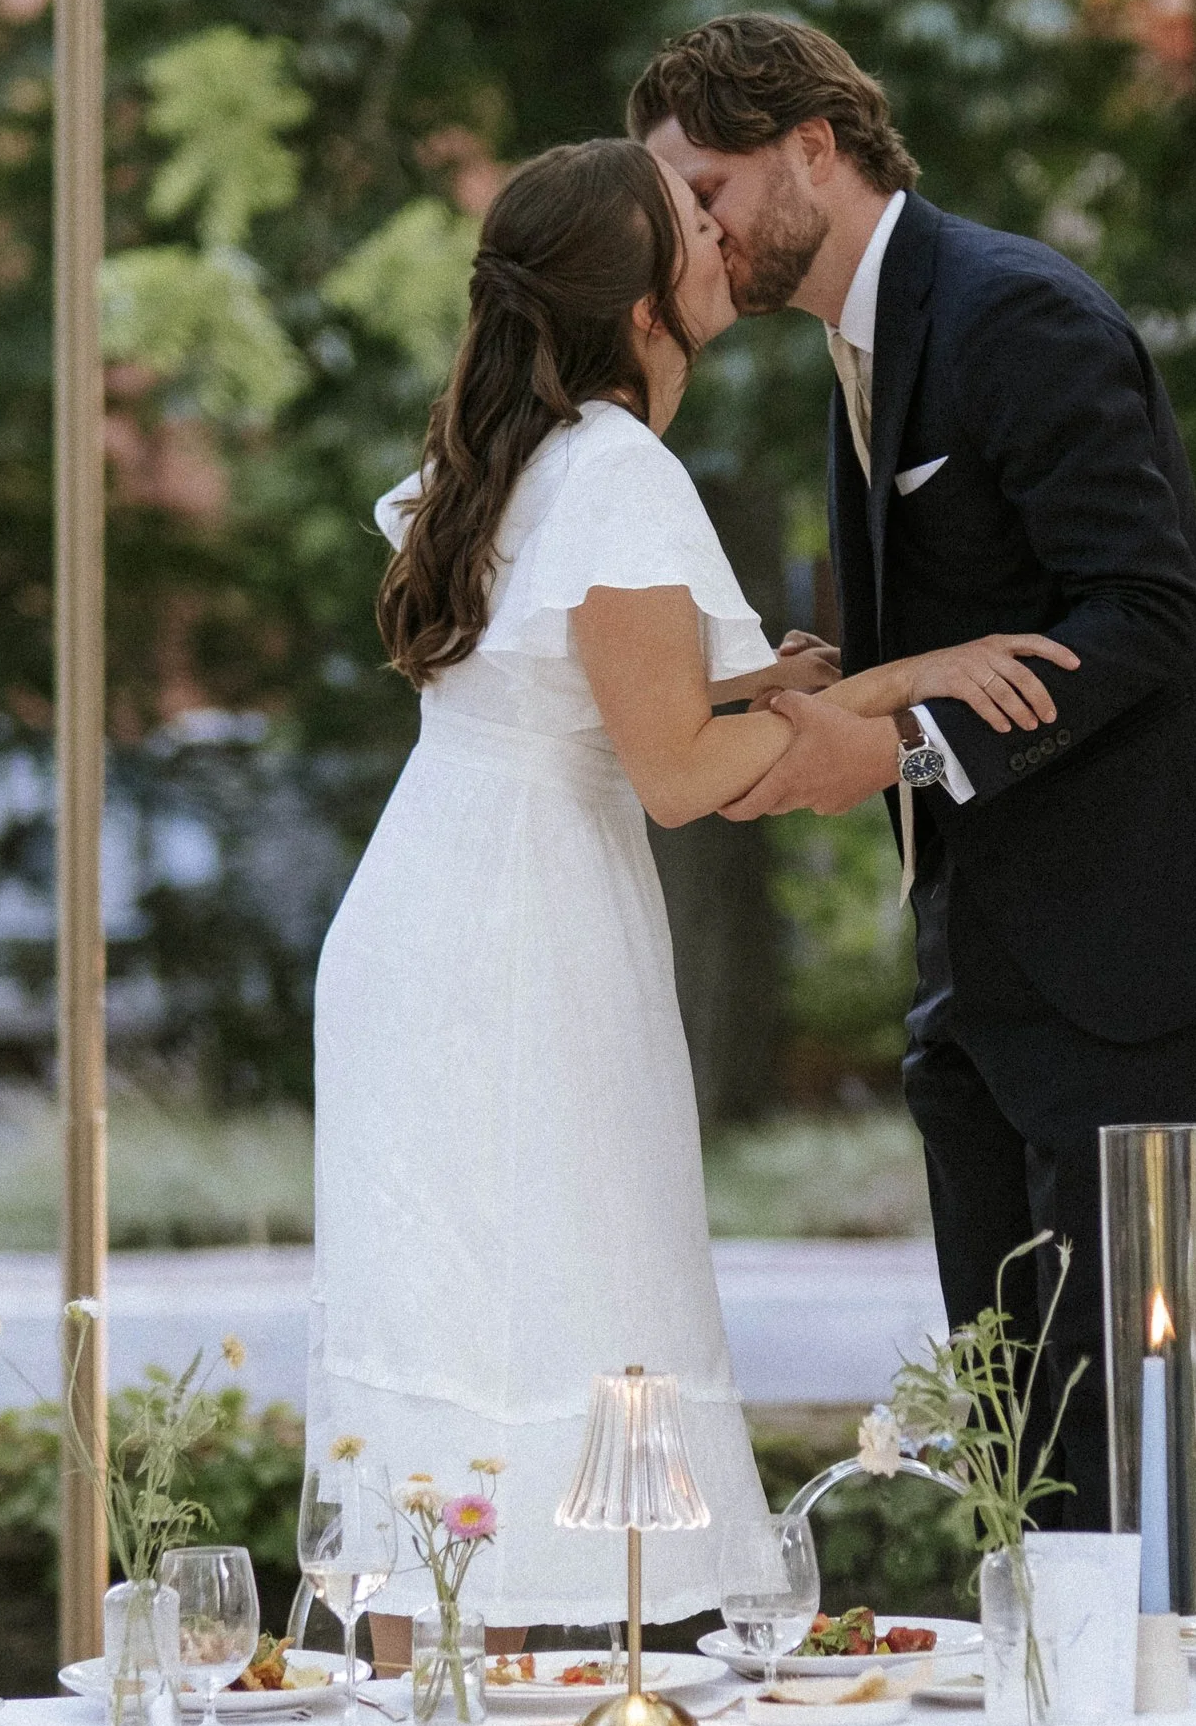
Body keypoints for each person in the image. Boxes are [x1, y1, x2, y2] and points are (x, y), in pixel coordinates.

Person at [309, 135, 1075, 1620]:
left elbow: (668, 710)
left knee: (475, 1319)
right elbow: (679, 774)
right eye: (690, 223)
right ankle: (551, 1701)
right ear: (640, 295)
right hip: (518, 930)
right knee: (553, 1300)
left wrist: (872, 684)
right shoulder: (614, 470)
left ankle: (432, 1709)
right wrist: (925, 692)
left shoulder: (535, 457)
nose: (724, 237)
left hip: (448, 902)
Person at [630, 16, 1196, 1528]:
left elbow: (1149, 609)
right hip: (983, 965)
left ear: (813, 144)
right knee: (1015, 1441)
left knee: (1123, 1453)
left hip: (1122, 954)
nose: (696, 226)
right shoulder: (862, 347)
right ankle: (1046, 1716)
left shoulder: (1019, 314)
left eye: (711, 185)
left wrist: (895, 743)